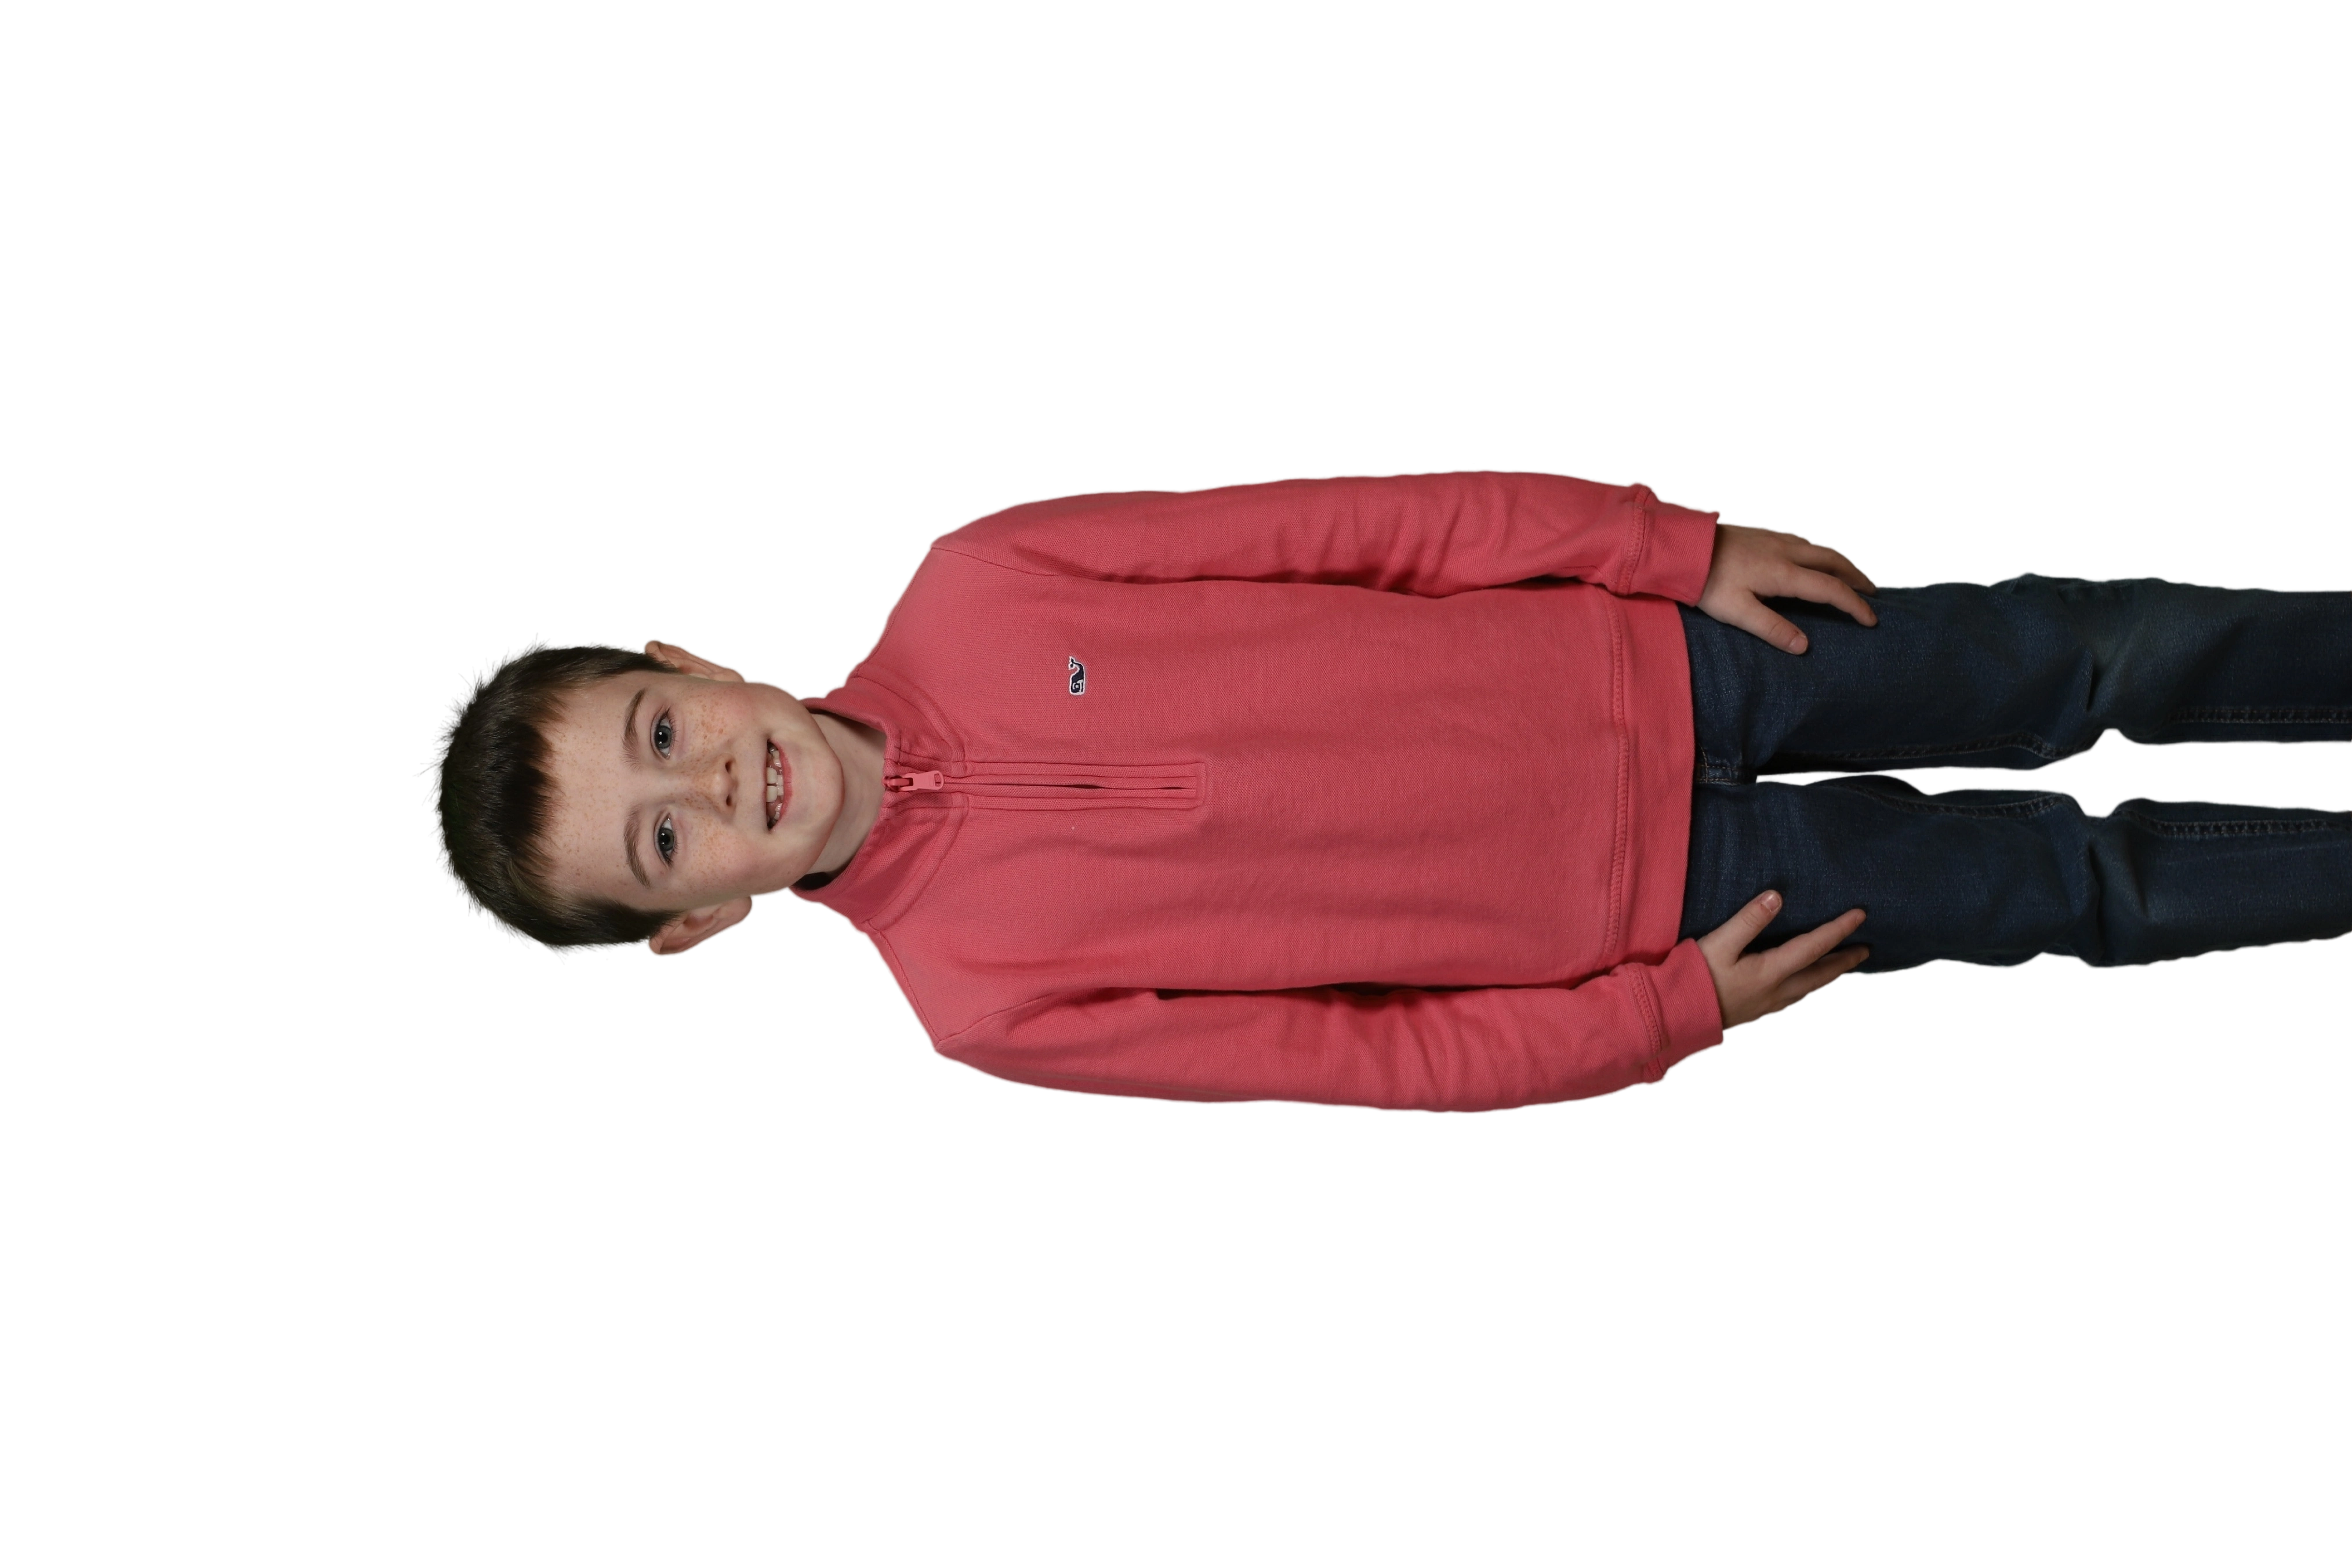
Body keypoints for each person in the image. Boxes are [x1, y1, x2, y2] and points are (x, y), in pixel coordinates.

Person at [414, 466, 2352, 1115]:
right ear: (696, 921)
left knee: (2097, 658)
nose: (710, 780)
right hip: (1689, 905)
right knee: (2084, 892)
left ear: (680, 661)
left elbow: (1372, 525)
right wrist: (1659, 1018)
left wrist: (1664, 550)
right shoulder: (985, 1005)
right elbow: (1364, 1058)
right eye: (662, 838)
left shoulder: (985, 578)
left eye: (654, 728)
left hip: (1679, 654)